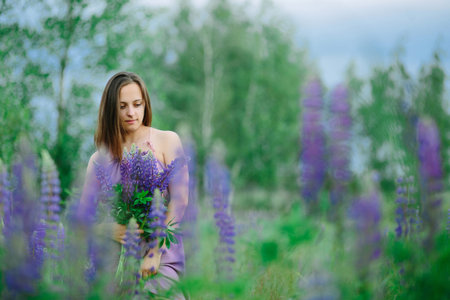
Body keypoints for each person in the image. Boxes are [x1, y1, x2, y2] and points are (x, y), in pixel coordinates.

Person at [80, 71, 189, 297]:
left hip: (159, 257)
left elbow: (180, 199)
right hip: (114, 262)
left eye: (137, 104)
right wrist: (107, 228)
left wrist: (155, 252)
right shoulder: (97, 160)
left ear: (145, 104)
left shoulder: (167, 140)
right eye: (122, 106)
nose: (131, 112)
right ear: (111, 110)